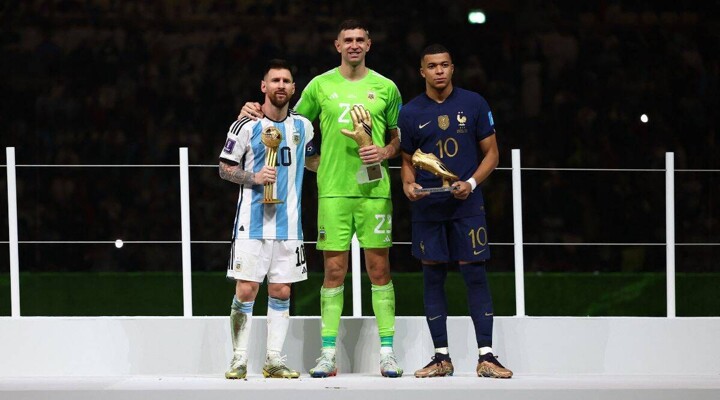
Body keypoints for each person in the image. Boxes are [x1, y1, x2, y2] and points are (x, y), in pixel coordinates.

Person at [239, 19, 403, 378]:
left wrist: (384, 152)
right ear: (337, 45)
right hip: (332, 192)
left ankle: (387, 353)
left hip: (375, 193)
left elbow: (397, 139)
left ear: (369, 45)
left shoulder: (387, 87)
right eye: (348, 40)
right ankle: (328, 354)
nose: (354, 45)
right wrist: (255, 110)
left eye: (360, 39)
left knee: (379, 270)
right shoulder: (320, 85)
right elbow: (289, 122)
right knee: (333, 272)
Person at [398, 44, 513, 379]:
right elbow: (407, 161)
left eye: (444, 65)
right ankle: (441, 358)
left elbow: (492, 154)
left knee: (474, 273)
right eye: (432, 66)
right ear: (422, 71)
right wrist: (408, 185)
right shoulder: (410, 112)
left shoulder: (474, 103)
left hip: (467, 204)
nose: (439, 71)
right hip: (428, 207)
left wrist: (472, 183)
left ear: (452, 68)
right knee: (433, 277)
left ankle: (486, 356)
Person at [219, 59, 315, 379]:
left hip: (290, 225)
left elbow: (313, 160)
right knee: (247, 289)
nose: (280, 85)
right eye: (275, 80)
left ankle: (273, 360)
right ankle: (238, 359)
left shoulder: (304, 127)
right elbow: (225, 168)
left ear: (293, 88)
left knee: (282, 291)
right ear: (264, 86)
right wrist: (254, 177)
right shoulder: (245, 125)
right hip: (252, 222)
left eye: (286, 81)